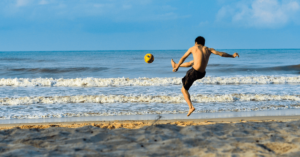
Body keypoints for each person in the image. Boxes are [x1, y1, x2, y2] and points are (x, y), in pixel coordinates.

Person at [171, 36, 239, 116]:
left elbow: (183, 57)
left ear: (196, 42)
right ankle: (176, 65)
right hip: (202, 73)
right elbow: (221, 54)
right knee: (192, 62)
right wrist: (232, 56)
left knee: (183, 90)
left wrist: (178, 67)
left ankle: (191, 107)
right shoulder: (209, 49)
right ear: (203, 43)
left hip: (194, 72)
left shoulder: (193, 48)